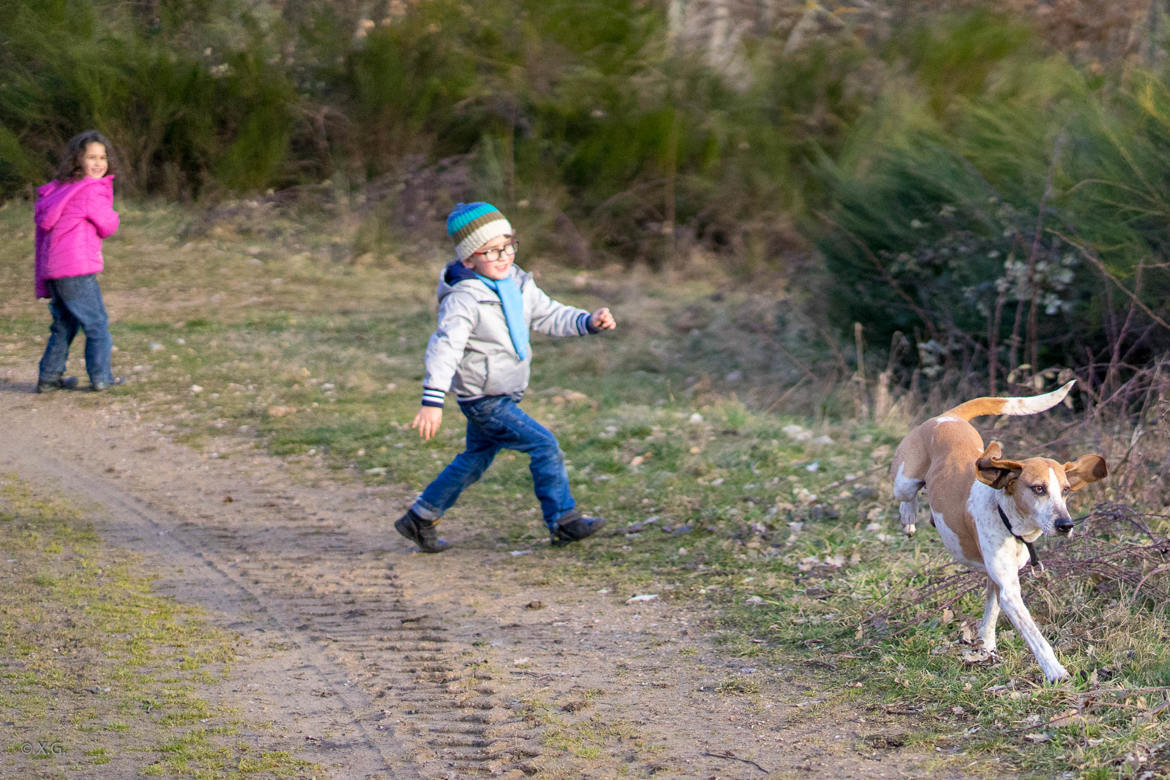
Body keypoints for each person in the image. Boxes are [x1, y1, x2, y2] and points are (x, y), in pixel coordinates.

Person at [395, 201, 617, 553]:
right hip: (484, 398)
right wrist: (432, 400)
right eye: (492, 251)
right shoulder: (464, 298)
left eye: (508, 246)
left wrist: (588, 321)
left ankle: (419, 518)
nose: (504, 256)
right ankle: (564, 521)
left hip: (505, 392)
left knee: (475, 459)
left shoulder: (517, 283)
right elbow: (445, 347)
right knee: (544, 445)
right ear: (469, 259)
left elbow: (548, 314)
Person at [34, 130, 123, 392]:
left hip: (55, 269)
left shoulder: (60, 189)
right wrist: (114, 213)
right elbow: (108, 226)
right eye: (91, 157)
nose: (98, 163)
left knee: (65, 323)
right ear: (77, 160)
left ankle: (49, 378)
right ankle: (101, 377)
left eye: (102, 157)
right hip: (76, 269)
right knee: (96, 323)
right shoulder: (89, 191)